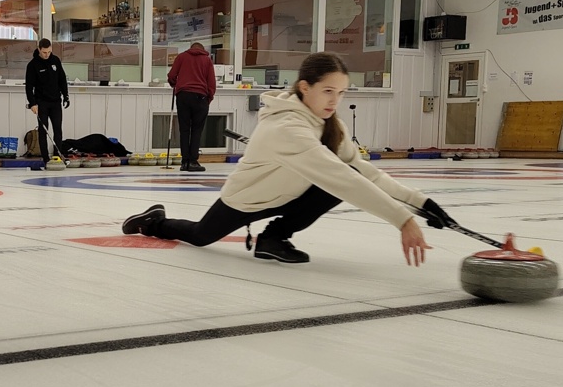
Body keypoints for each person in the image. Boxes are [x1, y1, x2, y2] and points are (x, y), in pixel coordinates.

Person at [123, 52, 456, 267]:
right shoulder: (286, 127)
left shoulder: (330, 124)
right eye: (328, 91)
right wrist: (402, 220)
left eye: (341, 93)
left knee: (337, 179)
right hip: (249, 199)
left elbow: (361, 172)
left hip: (291, 192)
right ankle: (152, 221)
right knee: (200, 236)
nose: (335, 101)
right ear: (304, 87)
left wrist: (421, 203)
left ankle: (274, 238)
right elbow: (344, 178)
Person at [168, 42, 216, 172]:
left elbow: (172, 75)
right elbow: (211, 82)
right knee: (197, 129)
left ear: (191, 48)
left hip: (183, 96)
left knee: (184, 129)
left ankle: (184, 162)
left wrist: (174, 84)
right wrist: (209, 98)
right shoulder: (207, 60)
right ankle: (193, 161)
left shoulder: (181, 57)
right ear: (202, 49)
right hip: (200, 97)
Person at [25, 38, 69, 164]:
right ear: (39, 49)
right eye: (44, 52)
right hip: (41, 102)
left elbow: (62, 79)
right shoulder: (33, 65)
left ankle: (58, 156)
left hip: (55, 101)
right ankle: (45, 158)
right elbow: (29, 87)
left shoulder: (55, 60)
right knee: (43, 130)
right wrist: (32, 103)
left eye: (49, 52)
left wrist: (66, 96)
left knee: (58, 129)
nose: (47, 55)